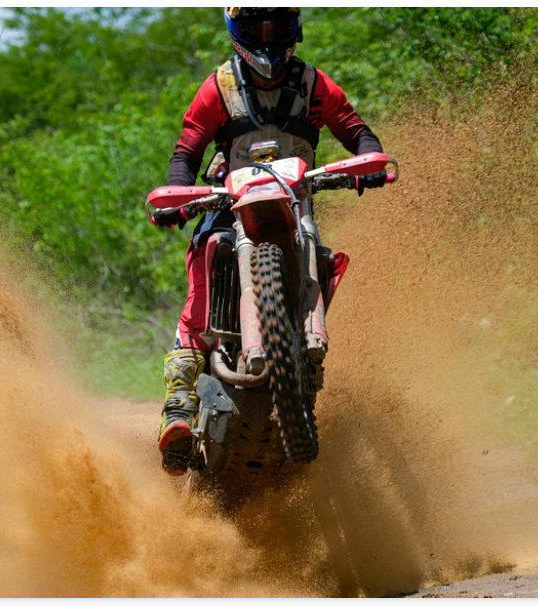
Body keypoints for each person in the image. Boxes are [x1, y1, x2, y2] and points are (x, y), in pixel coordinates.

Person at [153, 7, 388, 475]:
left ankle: (303, 352)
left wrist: (370, 160)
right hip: (228, 205)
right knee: (206, 255)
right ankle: (178, 404)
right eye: (256, 27)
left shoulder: (313, 85)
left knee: (323, 256)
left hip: (295, 205)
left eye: (276, 26)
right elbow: (187, 150)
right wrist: (175, 196)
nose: (266, 38)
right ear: (235, 31)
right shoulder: (218, 88)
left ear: (294, 28)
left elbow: (357, 131)